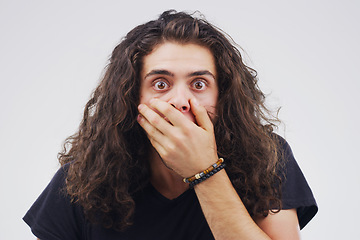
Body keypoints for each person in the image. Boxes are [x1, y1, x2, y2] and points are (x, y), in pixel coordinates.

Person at [23, 10, 317, 240]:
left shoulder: (268, 157)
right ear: (132, 96)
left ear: (222, 94)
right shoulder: (83, 176)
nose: (181, 101)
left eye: (199, 84)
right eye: (161, 83)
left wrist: (205, 171)